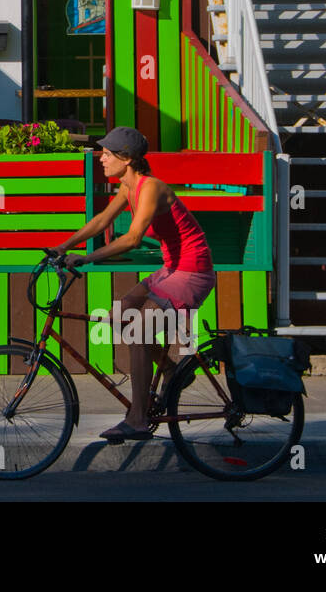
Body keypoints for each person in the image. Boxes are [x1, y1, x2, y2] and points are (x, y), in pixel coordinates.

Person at [49, 126, 214, 443]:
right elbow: (100, 221)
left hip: (192, 272)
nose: (101, 159)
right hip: (172, 268)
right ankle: (170, 370)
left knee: (139, 329)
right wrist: (64, 246)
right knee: (119, 317)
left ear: (127, 159)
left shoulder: (151, 187)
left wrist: (88, 258)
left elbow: (133, 238)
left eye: (108, 154)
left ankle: (138, 418)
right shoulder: (128, 187)